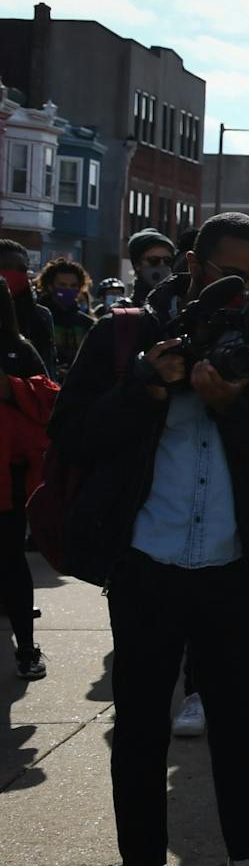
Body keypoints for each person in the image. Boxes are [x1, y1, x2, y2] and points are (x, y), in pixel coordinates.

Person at [47, 213, 249, 866]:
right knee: (142, 724)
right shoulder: (126, 335)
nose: (248, 292)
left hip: (234, 561)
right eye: (233, 276)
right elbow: (72, 435)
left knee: (240, 720)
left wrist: (235, 405)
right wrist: (145, 386)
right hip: (147, 559)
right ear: (195, 267)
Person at [0, 288, 52, 680]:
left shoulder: (18, 350)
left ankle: (27, 647)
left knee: (10, 560)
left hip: (10, 479)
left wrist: (10, 388)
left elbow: (50, 400)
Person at [35, 258, 97, 380]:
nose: (68, 290)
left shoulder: (87, 323)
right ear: (50, 286)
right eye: (62, 285)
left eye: (73, 286)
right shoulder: (37, 318)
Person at [0, 241, 55, 367]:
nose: (14, 273)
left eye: (22, 269)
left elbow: (47, 365)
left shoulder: (41, 315)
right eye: (5, 267)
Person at [126, 229, 178, 306]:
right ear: (137, 265)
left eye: (167, 261)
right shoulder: (124, 310)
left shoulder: (179, 306)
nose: (162, 265)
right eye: (153, 260)